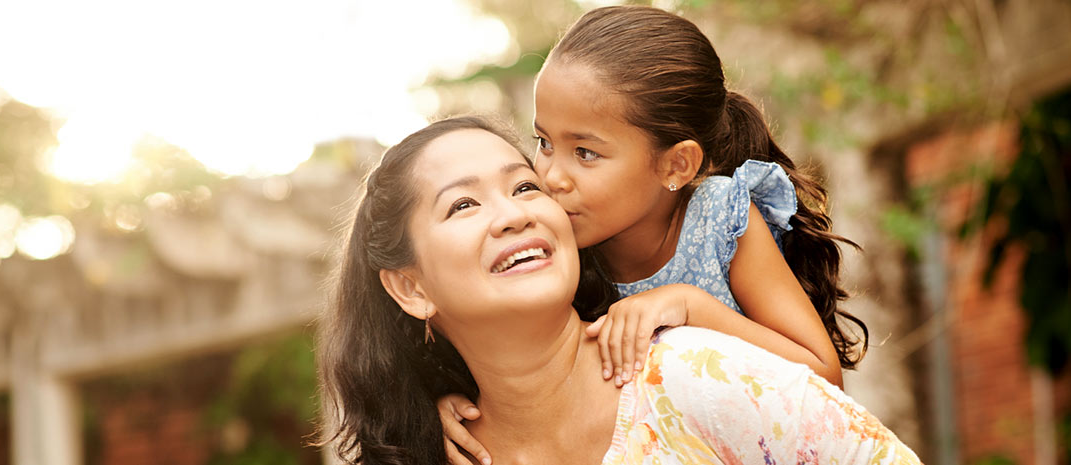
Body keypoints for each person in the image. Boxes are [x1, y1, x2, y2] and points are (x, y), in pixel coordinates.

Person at [317, 116, 919, 465]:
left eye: (526, 188)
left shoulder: (692, 374)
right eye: (464, 204)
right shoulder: (443, 451)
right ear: (409, 287)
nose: (512, 215)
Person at [440, 7, 869, 463]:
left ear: (676, 165)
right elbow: (506, 344)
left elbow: (822, 380)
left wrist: (689, 306)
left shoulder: (718, 219)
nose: (550, 175)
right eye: (544, 142)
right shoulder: (560, 249)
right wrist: (459, 402)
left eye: (585, 152)